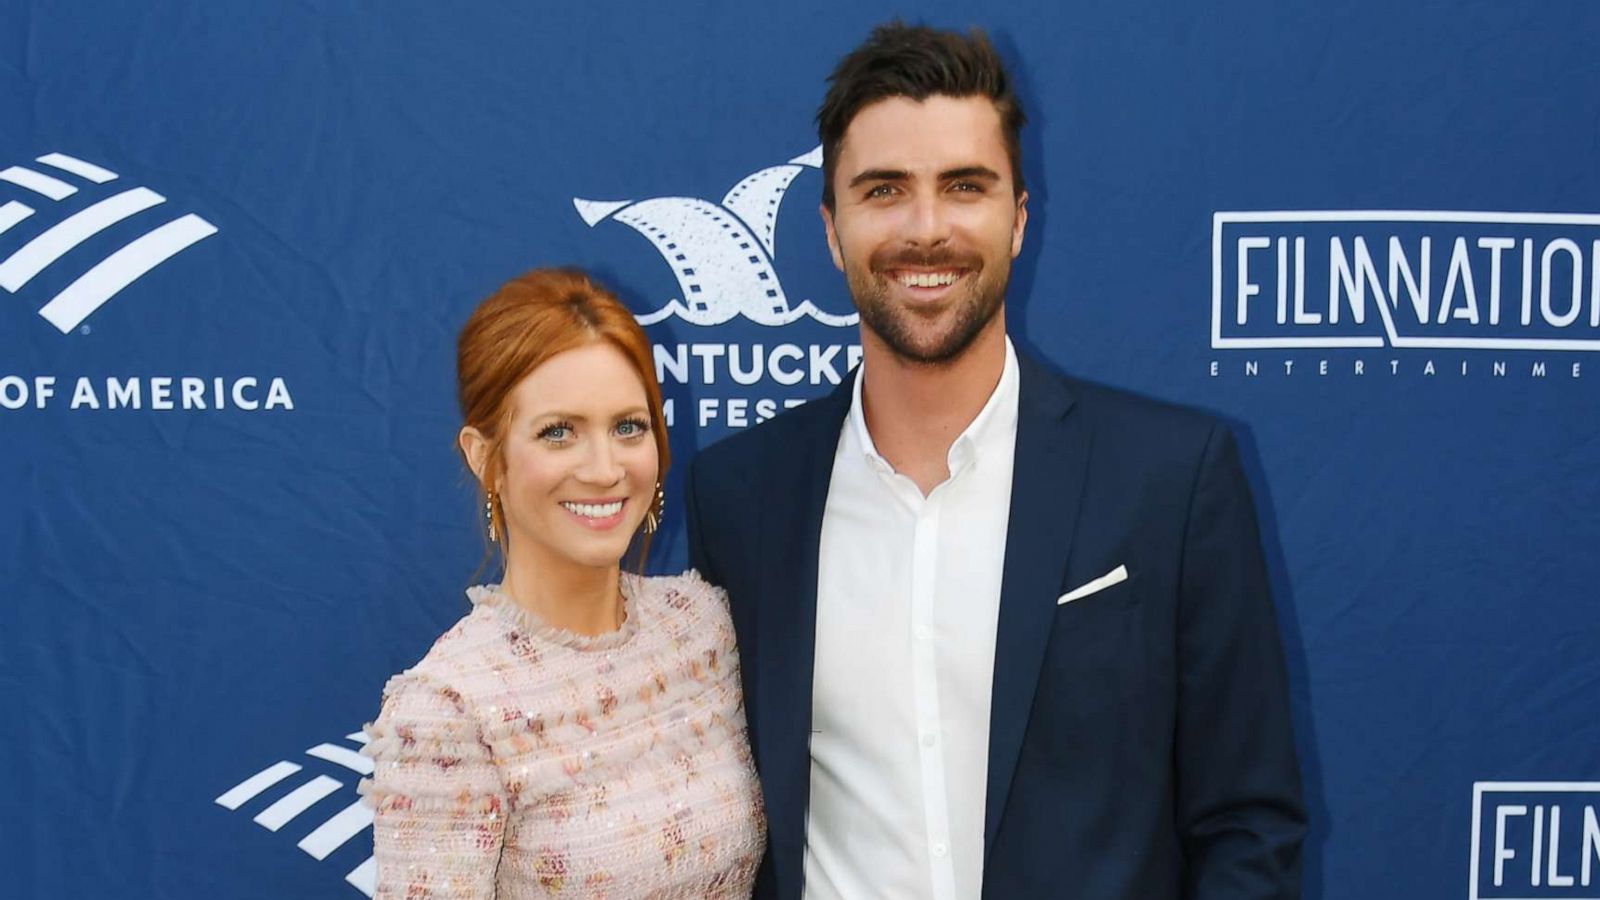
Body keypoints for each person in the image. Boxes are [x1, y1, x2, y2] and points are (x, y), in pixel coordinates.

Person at [685, 22, 1306, 900]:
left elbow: (1247, 824)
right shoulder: (742, 496)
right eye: (885, 190)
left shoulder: (1171, 479)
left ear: (1018, 219)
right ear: (832, 229)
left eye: (964, 187)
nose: (926, 228)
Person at [361, 268, 765, 897]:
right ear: (482, 455)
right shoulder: (448, 711)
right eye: (558, 432)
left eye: (628, 426)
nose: (605, 469)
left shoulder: (703, 628)